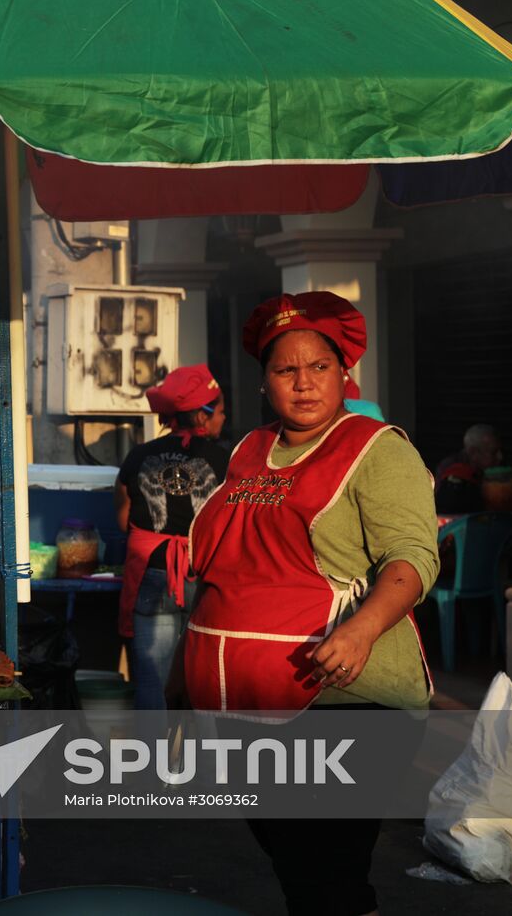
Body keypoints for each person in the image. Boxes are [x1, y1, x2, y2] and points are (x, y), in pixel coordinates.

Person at [175, 291, 438, 916]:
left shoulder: (377, 449)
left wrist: (361, 630)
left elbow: (412, 557)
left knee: (326, 873)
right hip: (244, 695)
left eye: (318, 366)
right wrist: (181, 672)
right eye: (285, 370)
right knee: (298, 868)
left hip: (349, 694)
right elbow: (224, 571)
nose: (303, 383)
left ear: (344, 373)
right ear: (263, 382)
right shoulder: (248, 450)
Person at [113, 364, 228, 711]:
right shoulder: (227, 460)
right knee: (205, 680)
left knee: (153, 680)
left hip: (152, 573)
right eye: (220, 411)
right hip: (205, 577)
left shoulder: (138, 456)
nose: (224, 418)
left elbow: (122, 520)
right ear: (203, 415)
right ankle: (205, 748)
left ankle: (153, 748)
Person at [434, 424, 502, 514]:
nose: (500, 457)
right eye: (493, 452)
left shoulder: (498, 469)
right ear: (473, 452)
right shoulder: (451, 471)